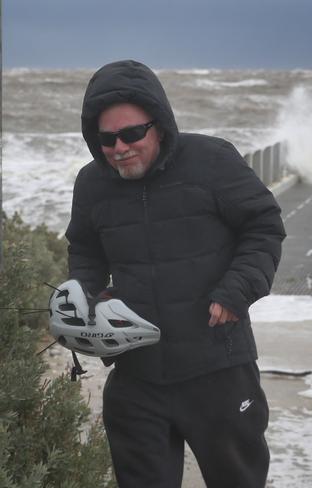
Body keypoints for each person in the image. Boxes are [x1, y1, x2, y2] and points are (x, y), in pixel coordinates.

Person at [65, 59, 285, 487]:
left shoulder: (212, 160)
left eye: (131, 134)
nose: (120, 148)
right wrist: (82, 301)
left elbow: (264, 226)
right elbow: (86, 251)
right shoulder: (92, 183)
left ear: (160, 124)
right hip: (136, 375)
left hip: (218, 368)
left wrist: (236, 289)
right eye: (106, 139)